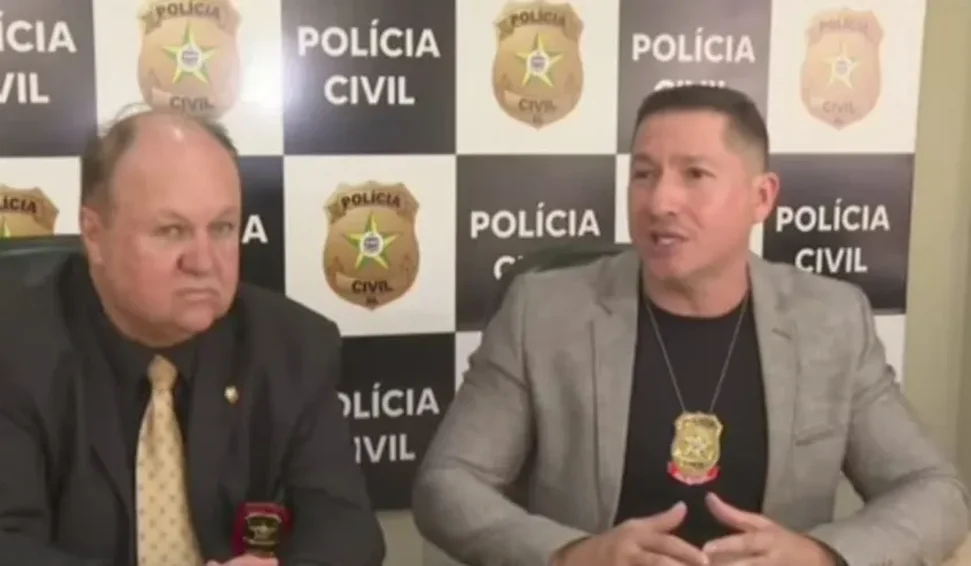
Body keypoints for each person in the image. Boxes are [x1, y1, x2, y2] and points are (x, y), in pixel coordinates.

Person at [411, 85, 971, 566]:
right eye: (644, 174)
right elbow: (447, 485)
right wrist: (573, 554)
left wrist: (822, 555)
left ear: (761, 198)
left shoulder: (832, 321)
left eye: (695, 174)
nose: (660, 201)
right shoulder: (542, 311)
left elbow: (936, 493)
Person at [0, 108, 385, 566]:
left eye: (222, 228)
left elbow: (349, 531)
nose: (203, 262)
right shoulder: (15, 352)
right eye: (171, 231)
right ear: (95, 235)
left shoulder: (292, 346)